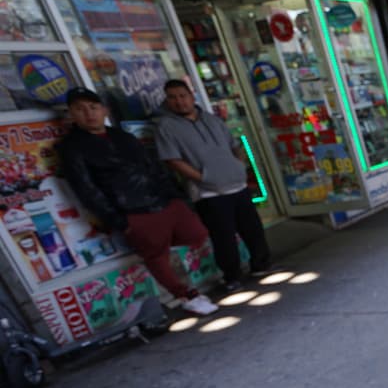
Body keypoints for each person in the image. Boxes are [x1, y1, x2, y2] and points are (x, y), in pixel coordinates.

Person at [58, 87, 219, 316]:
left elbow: (152, 167)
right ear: (72, 114)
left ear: (104, 110)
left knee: (198, 233)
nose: (88, 113)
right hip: (133, 211)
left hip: (163, 200)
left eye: (93, 107)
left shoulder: (123, 137)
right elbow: (86, 189)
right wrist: (120, 221)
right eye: (80, 109)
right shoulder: (72, 147)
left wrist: (175, 195)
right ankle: (187, 296)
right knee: (156, 257)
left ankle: (166, 252)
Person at [153, 79, 273, 292]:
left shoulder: (211, 119)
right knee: (223, 236)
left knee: (252, 229)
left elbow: (234, 145)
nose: (179, 101)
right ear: (167, 100)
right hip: (209, 193)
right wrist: (202, 177)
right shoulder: (166, 127)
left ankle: (261, 265)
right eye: (173, 97)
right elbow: (172, 159)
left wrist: (239, 166)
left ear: (192, 95)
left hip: (237, 184)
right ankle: (232, 276)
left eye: (183, 95)